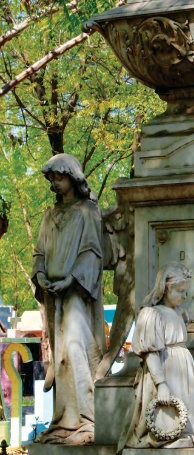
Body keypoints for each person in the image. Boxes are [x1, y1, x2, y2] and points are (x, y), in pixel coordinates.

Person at [32, 153, 105, 445]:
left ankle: (89, 417)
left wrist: (71, 279)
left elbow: (92, 253)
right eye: (51, 179)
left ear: (73, 177)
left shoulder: (88, 211)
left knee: (76, 347)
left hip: (77, 292)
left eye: (59, 177)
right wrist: (40, 275)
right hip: (54, 294)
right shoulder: (50, 216)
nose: (55, 184)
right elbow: (39, 254)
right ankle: (65, 420)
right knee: (61, 355)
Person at [119, 263, 194, 450]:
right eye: (180, 291)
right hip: (165, 366)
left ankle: (183, 432)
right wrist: (161, 383)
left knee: (183, 404)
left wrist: (183, 319)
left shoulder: (175, 312)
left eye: (185, 291)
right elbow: (151, 352)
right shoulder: (151, 314)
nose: (184, 296)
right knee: (167, 407)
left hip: (181, 366)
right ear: (165, 288)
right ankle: (164, 434)